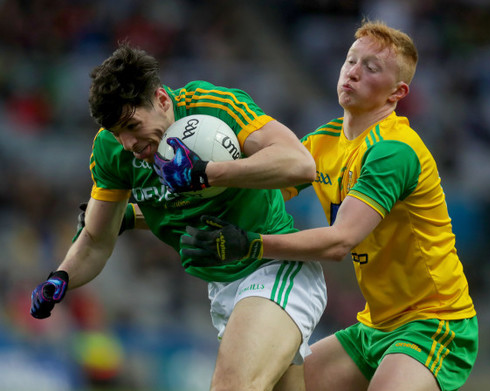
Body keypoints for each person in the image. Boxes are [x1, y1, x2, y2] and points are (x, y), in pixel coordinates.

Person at [181, 20, 478, 391]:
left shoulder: (393, 151)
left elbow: (340, 242)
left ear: (396, 92)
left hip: (434, 324)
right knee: (280, 384)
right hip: (373, 327)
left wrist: (251, 243)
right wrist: (139, 213)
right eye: (351, 61)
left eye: (370, 68)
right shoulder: (323, 143)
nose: (353, 72)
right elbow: (256, 196)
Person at [30, 43, 327, 391]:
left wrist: (209, 172)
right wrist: (61, 277)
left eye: (132, 125)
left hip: (275, 267)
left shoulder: (213, 106)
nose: (128, 143)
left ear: (161, 100)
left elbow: (301, 165)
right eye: (117, 133)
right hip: (223, 290)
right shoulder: (111, 152)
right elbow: (96, 240)